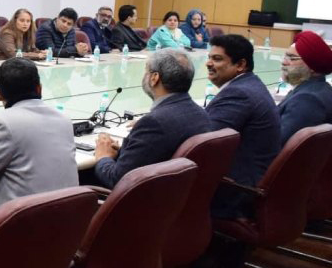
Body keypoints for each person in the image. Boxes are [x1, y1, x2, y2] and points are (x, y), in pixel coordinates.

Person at [93, 49, 210, 188]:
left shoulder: (155, 123)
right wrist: (126, 151)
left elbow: (117, 180)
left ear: (154, 78)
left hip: (144, 204)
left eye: (146, 71)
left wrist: (103, 156)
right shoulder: (201, 114)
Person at [0, 58, 77, 216]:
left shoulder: (2, 123)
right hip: (65, 222)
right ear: (40, 89)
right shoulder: (64, 120)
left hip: (18, 225)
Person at [205, 34, 280, 219]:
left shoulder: (239, 93)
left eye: (217, 59)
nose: (208, 63)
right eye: (209, 57)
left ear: (240, 65)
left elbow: (202, 140)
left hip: (237, 191)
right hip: (251, 179)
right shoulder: (250, 84)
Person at [277, 31, 332, 145]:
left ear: (312, 65)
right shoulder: (322, 89)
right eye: (285, 56)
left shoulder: (307, 100)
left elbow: (277, 142)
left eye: (292, 58)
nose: (284, 62)